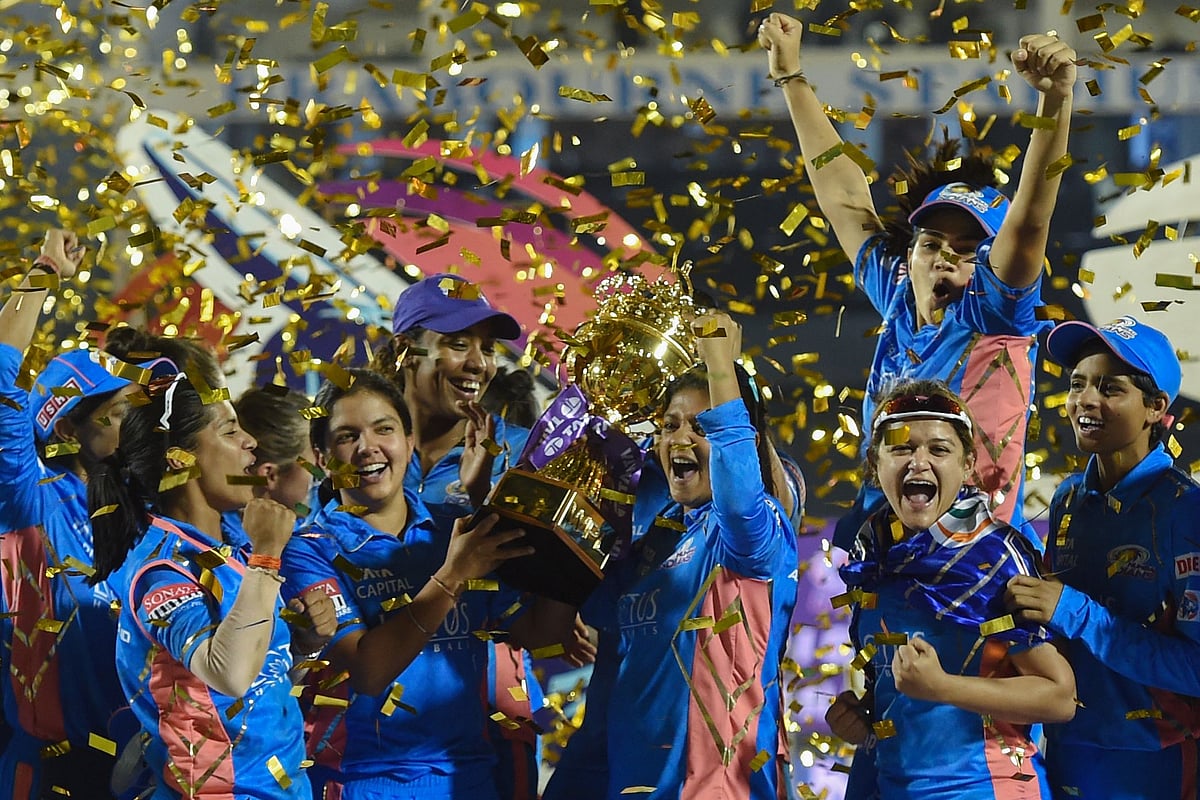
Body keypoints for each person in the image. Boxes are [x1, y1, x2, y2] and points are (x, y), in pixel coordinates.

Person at [758, 14, 1078, 548]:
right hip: (883, 560)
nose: (945, 260)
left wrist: (1055, 102)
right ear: (911, 255)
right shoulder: (900, 295)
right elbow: (843, 197)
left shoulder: (992, 315)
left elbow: (1030, 221)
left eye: (969, 250)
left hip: (975, 569)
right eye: (931, 244)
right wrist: (791, 76)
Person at [279, 368, 579, 800]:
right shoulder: (308, 551)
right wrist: (453, 576)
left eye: (384, 429)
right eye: (347, 436)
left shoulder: (452, 532)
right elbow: (368, 670)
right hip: (361, 783)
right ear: (322, 457)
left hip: (468, 779)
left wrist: (570, 543)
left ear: (408, 441)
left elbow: (538, 633)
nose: (368, 448)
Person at [831, 378, 1076, 799]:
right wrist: (861, 713)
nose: (918, 462)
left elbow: (1059, 696)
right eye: (901, 447)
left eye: (938, 449)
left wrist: (942, 687)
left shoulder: (994, 555)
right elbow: (899, 687)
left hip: (987, 788)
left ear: (966, 467)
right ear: (875, 462)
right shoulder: (872, 557)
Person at [587, 311, 798, 798]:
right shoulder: (650, 547)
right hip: (629, 783)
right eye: (670, 425)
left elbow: (741, 493)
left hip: (718, 788)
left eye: (702, 427)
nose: (680, 438)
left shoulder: (751, 536)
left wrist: (722, 365)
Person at [88, 347, 312, 800]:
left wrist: (304, 644)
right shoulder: (161, 569)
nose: (250, 441)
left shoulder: (226, 550)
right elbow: (225, 673)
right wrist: (268, 557)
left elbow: (256, 692)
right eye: (230, 430)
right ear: (179, 458)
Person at [1005, 317, 1200, 799]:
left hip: (1155, 760)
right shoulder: (1068, 499)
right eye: (1077, 385)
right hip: (1066, 749)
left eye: (1109, 388)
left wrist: (1073, 611)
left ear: (1156, 407)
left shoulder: (1187, 511)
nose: (1085, 401)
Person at [384, 273, 548, 799]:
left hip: (483, 713)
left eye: (487, 347)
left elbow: (548, 600)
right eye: (457, 344)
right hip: (372, 718)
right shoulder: (362, 452)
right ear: (402, 353)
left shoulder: (521, 456)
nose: (479, 363)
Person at [0, 229, 143, 799]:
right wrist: (44, 273)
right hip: (59, 774)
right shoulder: (27, 498)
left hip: (148, 764)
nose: (136, 424)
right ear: (68, 428)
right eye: (117, 413)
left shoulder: (145, 500)